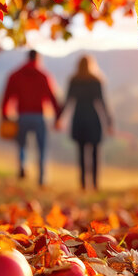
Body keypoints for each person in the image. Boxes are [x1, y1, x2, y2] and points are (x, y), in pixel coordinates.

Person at [1, 50, 59, 186]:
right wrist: (58, 116)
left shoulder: (16, 75)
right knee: (41, 147)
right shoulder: (43, 75)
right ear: (38, 59)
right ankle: (42, 177)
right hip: (39, 116)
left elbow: (7, 96)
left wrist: (5, 114)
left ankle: (22, 166)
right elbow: (52, 98)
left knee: (21, 144)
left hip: (22, 115)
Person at [56, 55, 113, 191]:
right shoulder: (96, 80)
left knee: (81, 153)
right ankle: (95, 184)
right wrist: (109, 122)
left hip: (79, 118)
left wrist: (59, 118)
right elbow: (102, 102)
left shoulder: (74, 81)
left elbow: (68, 101)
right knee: (95, 154)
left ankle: (83, 184)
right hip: (93, 118)